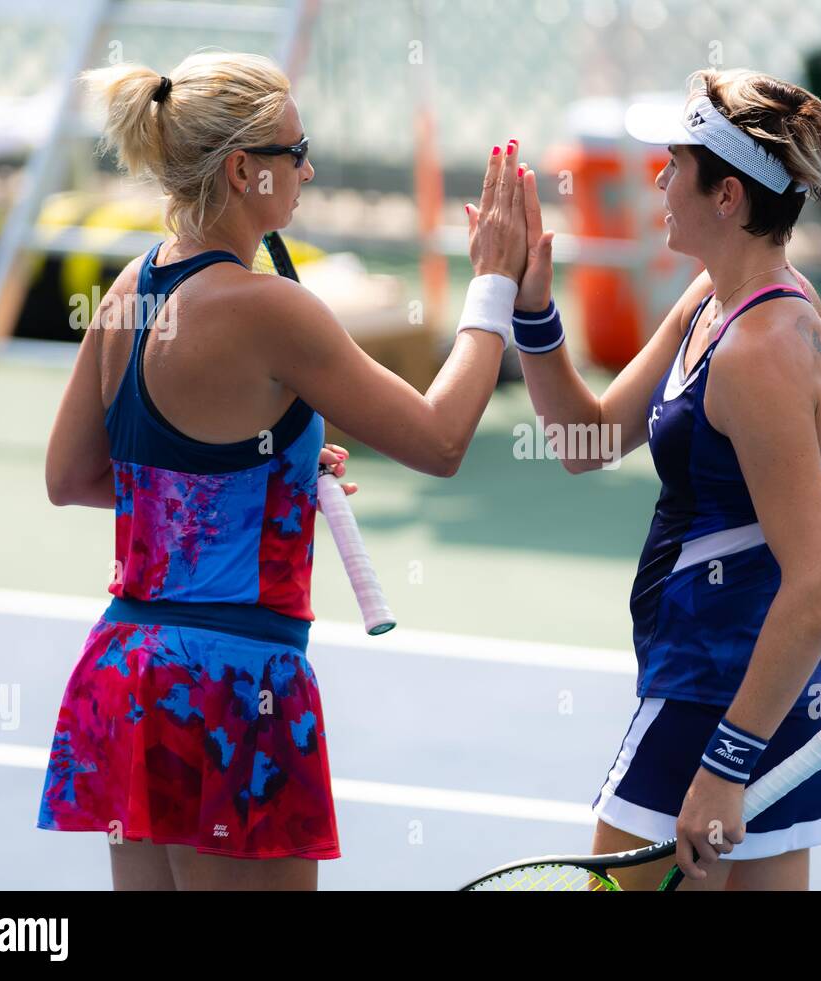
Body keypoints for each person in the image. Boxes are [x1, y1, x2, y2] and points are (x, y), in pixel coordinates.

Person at [37, 51, 528, 890]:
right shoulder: (270, 308)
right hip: (233, 691)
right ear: (242, 170)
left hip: (127, 675)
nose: (306, 169)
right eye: (295, 153)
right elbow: (442, 440)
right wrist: (493, 287)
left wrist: (252, 484)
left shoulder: (130, 289)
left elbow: (74, 476)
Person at [512, 68, 821, 889]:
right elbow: (589, 439)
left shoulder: (759, 353)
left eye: (674, 166)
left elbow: (819, 582)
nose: (657, 182)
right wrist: (529, 303)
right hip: (768, 695)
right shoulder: (718, 300)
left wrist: (726, 763)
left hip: (717, 700)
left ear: (728, 196)